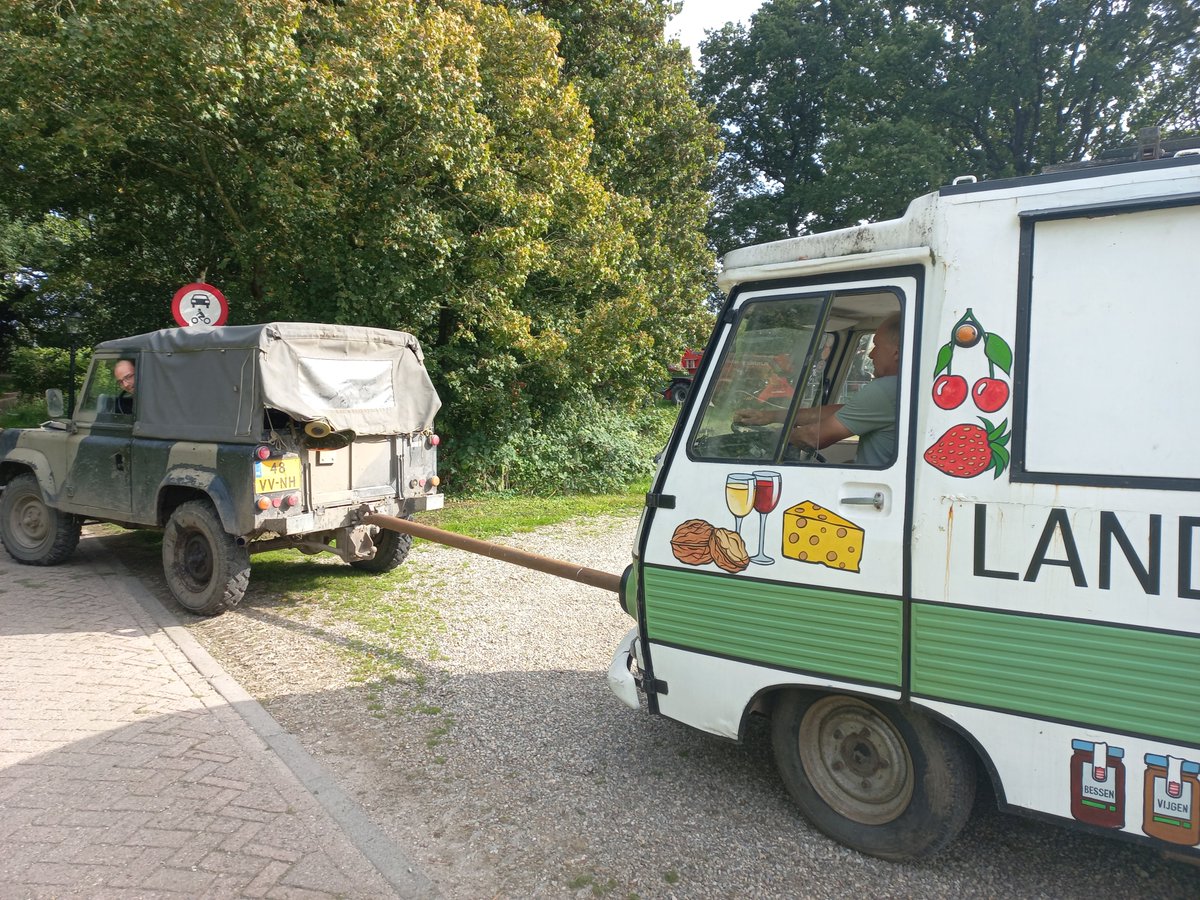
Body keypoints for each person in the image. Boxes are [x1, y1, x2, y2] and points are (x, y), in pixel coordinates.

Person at [735, 313, 901, 466]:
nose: (871, 355)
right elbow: (840, 412)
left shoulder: (886, 389)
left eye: (877, 346)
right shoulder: (899, 389)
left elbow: (813, 437)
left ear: (896, 352)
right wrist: (770, 416)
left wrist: (769, 437)